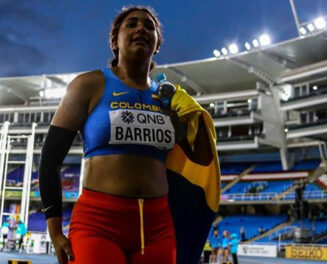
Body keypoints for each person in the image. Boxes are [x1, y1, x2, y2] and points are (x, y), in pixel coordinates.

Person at [39, 5, 220, 264]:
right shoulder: (88, 85)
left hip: (157, 228)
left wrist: (195, 115)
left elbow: (202, 159)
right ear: (115, 40)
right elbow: (49, 160)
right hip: (97, 223)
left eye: (149, 26)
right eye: (131, 24)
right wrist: (55, 231)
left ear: (157, 44)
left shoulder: (168, 98)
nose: (141, 29)